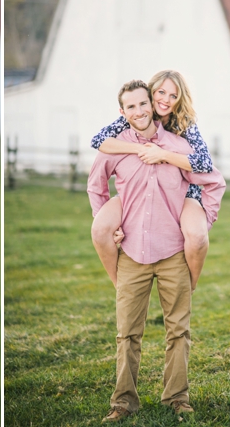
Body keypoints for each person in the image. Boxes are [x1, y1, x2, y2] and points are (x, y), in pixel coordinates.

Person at [87, 80, 225, 421]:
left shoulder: (179, 147)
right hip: (131, 254)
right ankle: (122, 403)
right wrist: (107, 221)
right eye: (130, 107)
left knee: (178, 330)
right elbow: (96, 185)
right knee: (127, 333)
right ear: (123, 112)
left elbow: (214, 182)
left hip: (173, 253)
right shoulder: (115, 150)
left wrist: (203, 222)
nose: (139, 111)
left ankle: (177, 398)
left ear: (153, 105)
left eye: (143, 104)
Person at [90, 70, 212, 290]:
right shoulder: (140, 114)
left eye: (173, 96)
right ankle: (120, 284)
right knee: (101, 229)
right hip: (142, 185)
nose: (165, 100)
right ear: (151, 92)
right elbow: (99, 140)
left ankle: (190, 285)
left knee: (196, 236)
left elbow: (205, 163)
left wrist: (164, 155)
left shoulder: (184, 123)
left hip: (182, 190)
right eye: (161, 92)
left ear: (179, 99)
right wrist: (139, 149)